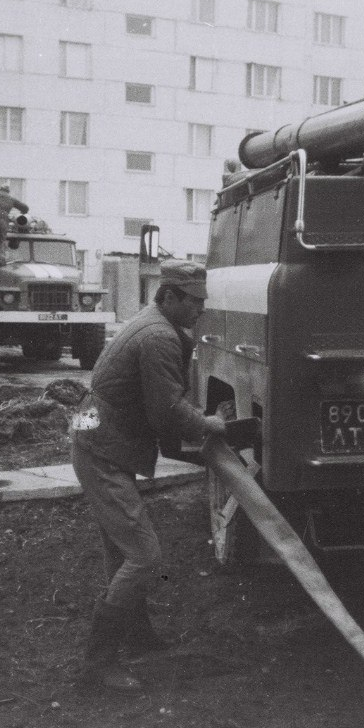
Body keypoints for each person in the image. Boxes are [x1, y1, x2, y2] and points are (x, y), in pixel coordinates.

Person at [71, 260, 227, 693]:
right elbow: (167, 411)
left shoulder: (152, 322)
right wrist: (210, 424)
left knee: (123, 551)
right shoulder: (158, 335)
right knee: (144, 555)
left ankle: (136, 636)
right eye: (193, 302)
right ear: (170, 296)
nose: (200, 310)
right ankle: (97, 666)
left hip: (98, 440)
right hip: (102, 449)